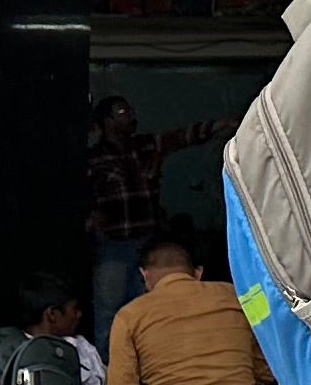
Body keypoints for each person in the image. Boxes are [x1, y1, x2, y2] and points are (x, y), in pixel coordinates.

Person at [99, 232, 271, 385]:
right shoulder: (238, 297)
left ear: (144, 276)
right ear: (197, 273)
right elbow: (266, 372)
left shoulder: (129, 316)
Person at [86, 97, 225, 345]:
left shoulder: (145, 146)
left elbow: (183, 136)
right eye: (122, 111)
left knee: (148, 308)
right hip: (113, 246)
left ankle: (147, 364)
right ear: (106, 121)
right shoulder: (94, 158)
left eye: (130, 110)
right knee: (109, 311)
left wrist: (220, 125)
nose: (130, 116)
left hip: (147, 244)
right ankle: (107, 372)